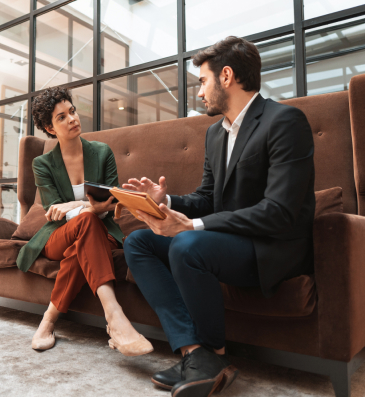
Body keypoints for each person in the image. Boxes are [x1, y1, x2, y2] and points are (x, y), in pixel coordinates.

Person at [123, 36, 315, 397]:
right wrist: (167, 199)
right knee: (139, 242)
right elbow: (209, 198)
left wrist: (191, 225)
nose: (199, 93)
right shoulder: (215, 134)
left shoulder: (285, 121)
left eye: (202, 81)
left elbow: (280, 212)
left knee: (186, 245)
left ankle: (215, 353)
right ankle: (197, 354)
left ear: (226, 76)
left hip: (269, 247)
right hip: (224, 242)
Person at [17, 87, 153, 356]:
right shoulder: (42, 164)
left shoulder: (102, 152)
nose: (72, 119)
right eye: (61, 117)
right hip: (59, 235)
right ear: (50, 127)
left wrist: (77, 205)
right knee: (86, 223)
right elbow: (55, 212)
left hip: (102, 230)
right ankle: (114, 316)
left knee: (84, 239)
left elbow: (113, 201)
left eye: (72, 111)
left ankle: (49, 320)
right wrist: (87, 207)